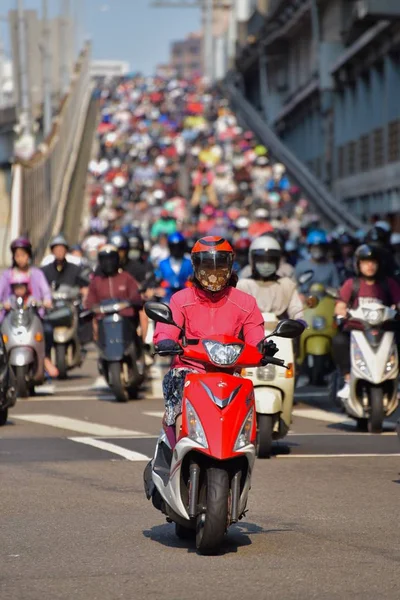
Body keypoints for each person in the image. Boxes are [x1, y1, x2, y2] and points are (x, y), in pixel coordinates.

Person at [153, 236, 270, 431]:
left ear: (230, 265)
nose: (213, 273)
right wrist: (165, 340)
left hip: (230, 375)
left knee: (243, 419)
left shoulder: (246, 303)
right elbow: (167, 329)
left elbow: (255, 336)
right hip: (189, 371)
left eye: (219, 266)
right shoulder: (180, 299)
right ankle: (175, 450)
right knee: (179, 414)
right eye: (207, 266)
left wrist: (263, 347)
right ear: (195, 266)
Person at [332, 244, 400, 399]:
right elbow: (340, 305)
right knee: (339, 341)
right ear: (358, 265)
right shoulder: (352, 284)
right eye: (365, 262)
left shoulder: (388, 284)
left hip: (384, 331)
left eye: (373, 262)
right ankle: (348, 379)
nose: (369, 266)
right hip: (357, 331)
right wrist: (342, 312)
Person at [0, 238, 58, 377]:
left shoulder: (36, 273)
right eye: (17, 255)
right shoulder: (7, 275)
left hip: (33, 316)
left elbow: (45, 292)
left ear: (29, 256)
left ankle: (44, 358)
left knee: (48, 330)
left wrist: (46, 301)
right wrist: (5, 304)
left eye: (23, 255)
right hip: (10, 317)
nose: (20, 259)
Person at [237, 236, 304, 321]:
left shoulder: (287, 285)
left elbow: (296, 308)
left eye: (270, 260)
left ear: (278, 261)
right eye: (261, 260)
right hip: (249, 332)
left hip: (280, 331)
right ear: (252, 260)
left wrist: (299, 320)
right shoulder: (243, 286)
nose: (266, 265)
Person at [85, 244, 144, 340]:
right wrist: (94, 309)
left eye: (111, 258)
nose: (108, 262)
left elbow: (136, 297)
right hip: (103, 322)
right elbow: (89, 303)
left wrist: (128, 303)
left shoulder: (126, 278)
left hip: (126, 322)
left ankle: (143, 347)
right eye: (104, 259)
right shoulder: (96, 282)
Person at [295, 230, 340, 294]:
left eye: (320, 247)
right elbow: (295, 286)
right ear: (309, 248)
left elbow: (336, 288)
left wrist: (325, 289)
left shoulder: (331, 267)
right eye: (314, 247)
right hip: (305, 302)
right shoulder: (301, 266)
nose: (317, 249)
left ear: (325, 248)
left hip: (325, 302)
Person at [156, 232, 193, 303]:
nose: (177, 250)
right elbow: (156, 279)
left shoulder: (189, 263)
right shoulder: (162, 263)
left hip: (186, 298)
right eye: (174, 247)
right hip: (167, 299)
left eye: (179, 247)